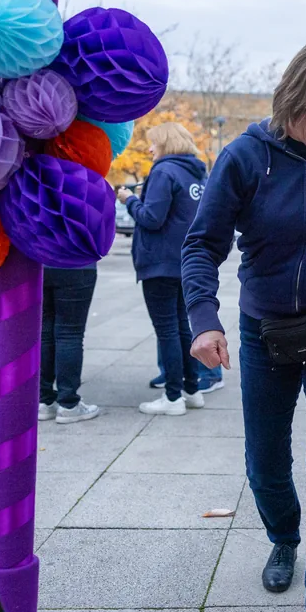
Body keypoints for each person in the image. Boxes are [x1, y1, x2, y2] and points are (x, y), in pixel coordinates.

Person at [182, 40, 306, 612]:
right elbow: (201, 244)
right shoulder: (245, 157)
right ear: (293, 98)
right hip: (266, 329)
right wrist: (202, 320)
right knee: (265, 461)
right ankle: (284, 536)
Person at [118, 122, 209, 416]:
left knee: (167, 330)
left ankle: (172, 398)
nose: (149, 149)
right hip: (186, 262)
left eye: (153, 143)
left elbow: (152, 218)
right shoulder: (194, 172)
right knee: (184, 327)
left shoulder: (163, 171)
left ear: (166, 143)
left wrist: (130, 199)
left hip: (159, 263)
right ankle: (191, 389)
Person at [38, 265, 101, 423]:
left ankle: (44, 400)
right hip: (77, 261)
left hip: (41, 261)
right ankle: (68, 404)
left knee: (44, 332)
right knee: (70, 333)